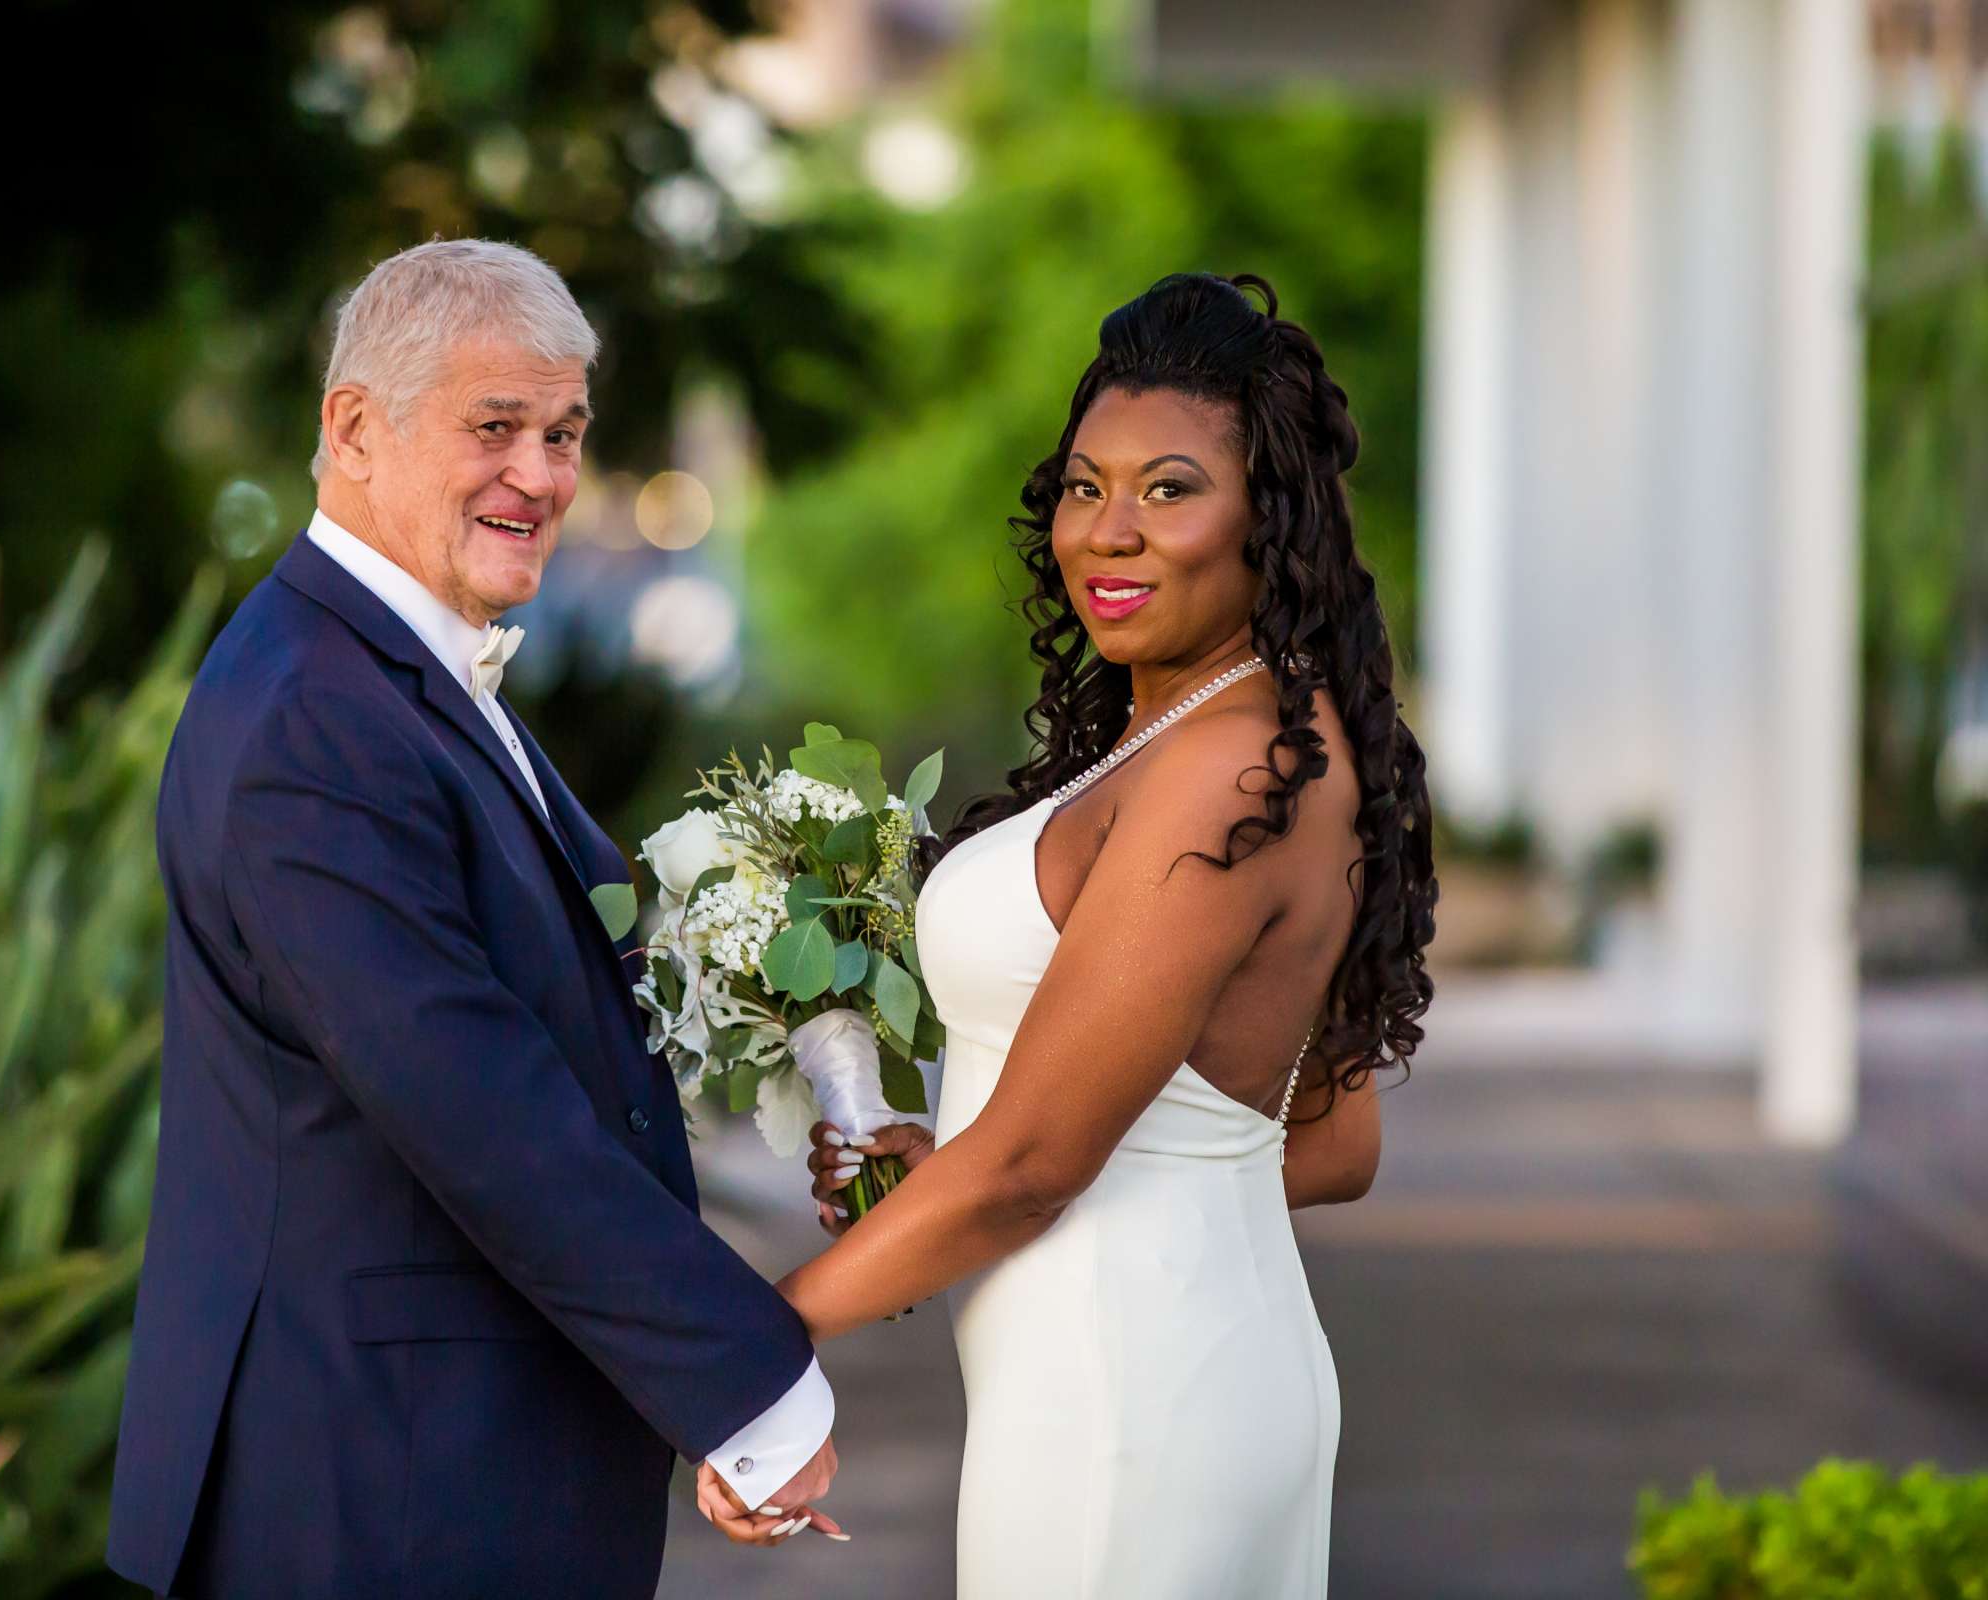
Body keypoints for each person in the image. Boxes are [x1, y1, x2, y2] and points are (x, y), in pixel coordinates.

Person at [106, 240, 839, 1600]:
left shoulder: (386, 676)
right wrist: (748, 1391)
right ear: (353, 431)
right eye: (493, 427)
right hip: (367, 1494)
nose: (543, 476)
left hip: (429, 1474)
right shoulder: (314, 716)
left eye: (563, 434)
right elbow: (481, 1108)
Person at [780, 272, 1435, 1596]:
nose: (1111, 532)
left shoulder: (1225, 772)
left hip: (1125, 1411)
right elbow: (1328, 1141)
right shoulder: (1239, 744)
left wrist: (738, 1352)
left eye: (1171, 488)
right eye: (1086, 488)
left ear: (1271, 519)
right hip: (1185, 1380)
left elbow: (1035, 1163)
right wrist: (959, 1179)